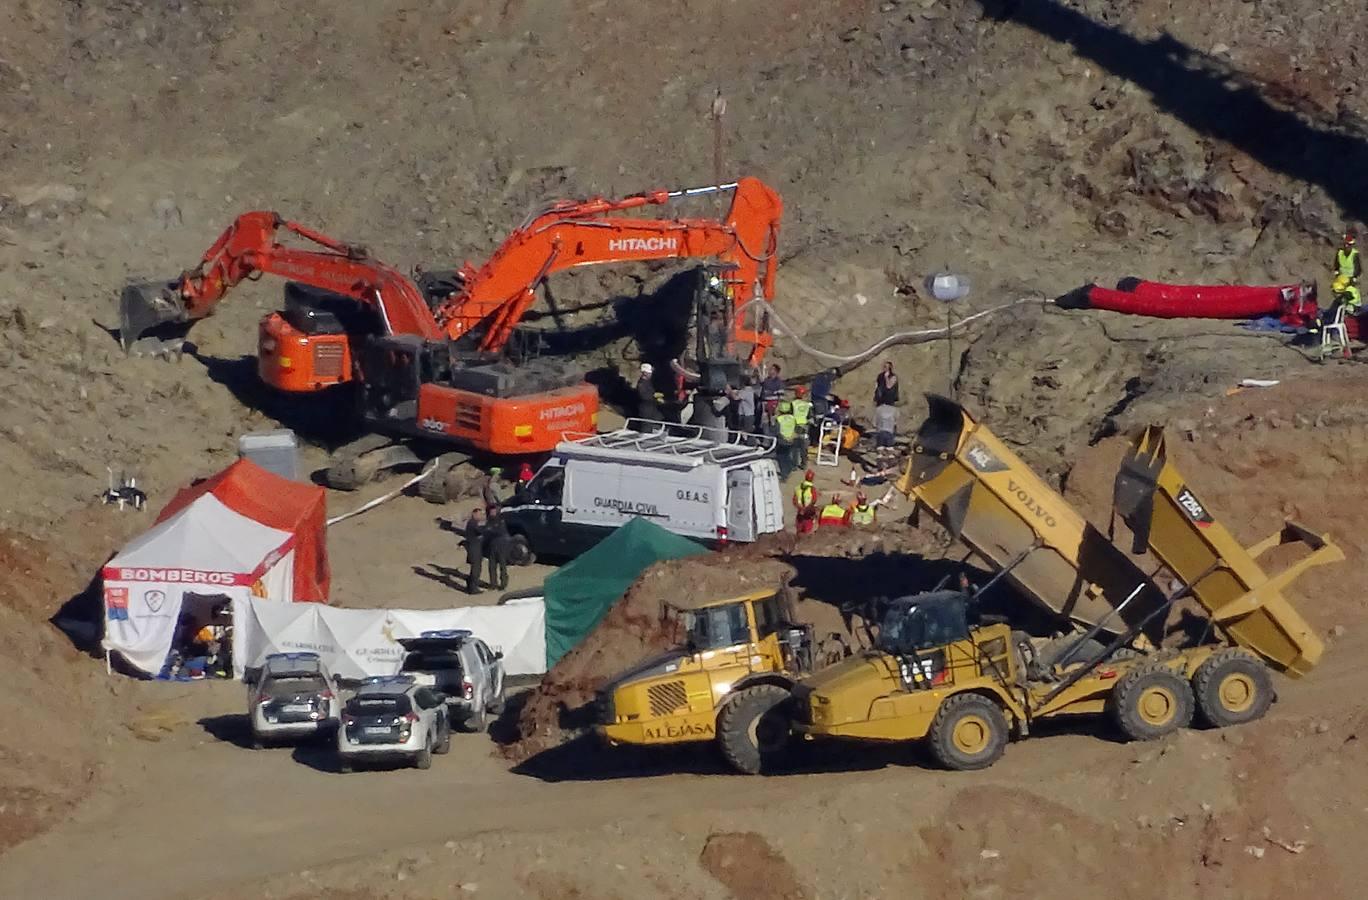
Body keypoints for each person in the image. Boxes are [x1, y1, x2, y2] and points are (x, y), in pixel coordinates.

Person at [484, 508, 512, 591]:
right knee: (491, 566)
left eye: (494, 511)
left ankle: (503, 584)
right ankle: (493, 584)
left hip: (501, 547)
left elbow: (499, 531)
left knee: (502, 566)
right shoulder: (489, 521)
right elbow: (486, 532)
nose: (492, 513)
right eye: (491, 511)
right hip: (492, 547)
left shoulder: (501, 520)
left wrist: (490, 530)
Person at [462, 506, 486, 594]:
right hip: (474, 548)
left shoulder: (473, 523)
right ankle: (473, 588)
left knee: (475, 568)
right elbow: (479, 531)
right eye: (479, 514)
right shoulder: (472, 523)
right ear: (474, 514)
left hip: (474, 548)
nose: (481, 516)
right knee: (476, 569)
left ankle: (471, 586)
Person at [774, 400, 799, 478]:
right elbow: (796, 429)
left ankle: (784, 474)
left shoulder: (779, 419)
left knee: (781, 457)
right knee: (787, 455)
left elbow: (777, 431)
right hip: (791, 440)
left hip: (782, 441)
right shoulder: (793, 418)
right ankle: (789, 469)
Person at [791, 385, 813, 466]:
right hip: (805, 426)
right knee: (804, 447)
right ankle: (804, 463)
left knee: (795, 446)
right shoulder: (808, 405)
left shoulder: (792, 403)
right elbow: (811, 417)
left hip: (794, 426)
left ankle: (794, 464)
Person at [792, 470, 818, 534]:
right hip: (808, 515)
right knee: (808, 534)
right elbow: (814, 500)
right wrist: (806, 509)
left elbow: (794, 501)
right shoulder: (812, 489)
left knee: (799, 533)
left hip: (800, 514)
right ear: (812, 479)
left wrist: (800, 508)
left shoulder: (798, 488)